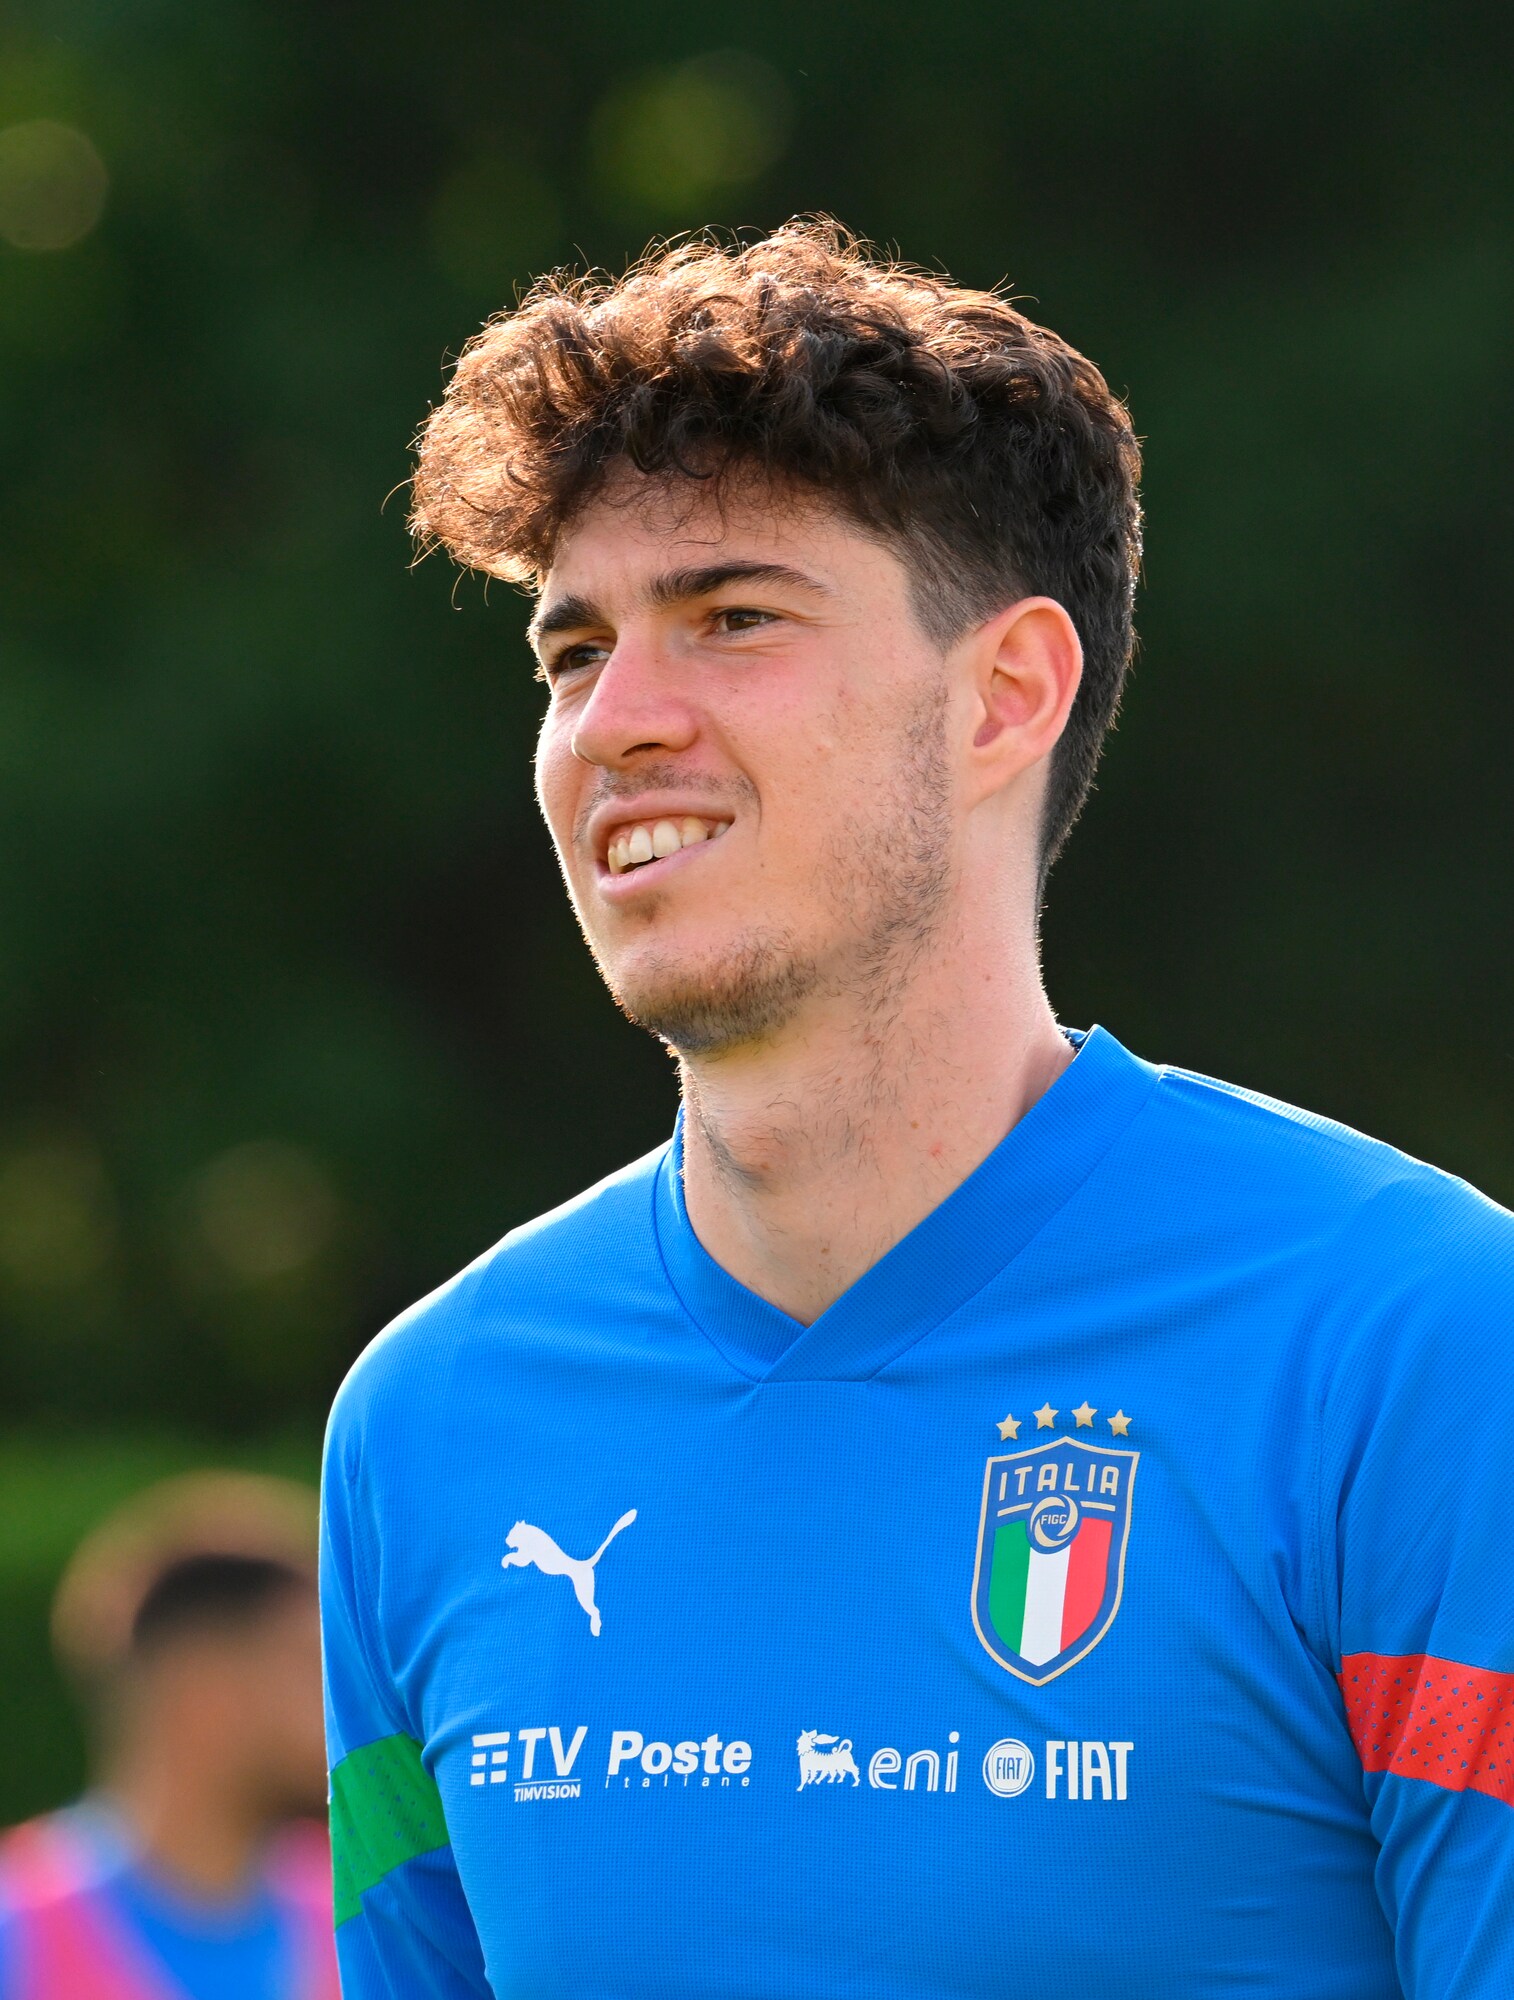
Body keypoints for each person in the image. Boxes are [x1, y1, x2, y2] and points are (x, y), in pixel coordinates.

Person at [321, 220, 1514, 1997]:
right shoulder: (426, 1421)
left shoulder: (1416, 1345)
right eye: (570, 653)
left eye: (731, 618)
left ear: (1002, 696)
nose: (613, 723)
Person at [0, 1473, 340, 2000]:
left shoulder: (355, 1917)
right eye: (307, 1665)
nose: (340, 1707)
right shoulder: (16, 1931)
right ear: (205, 1689)